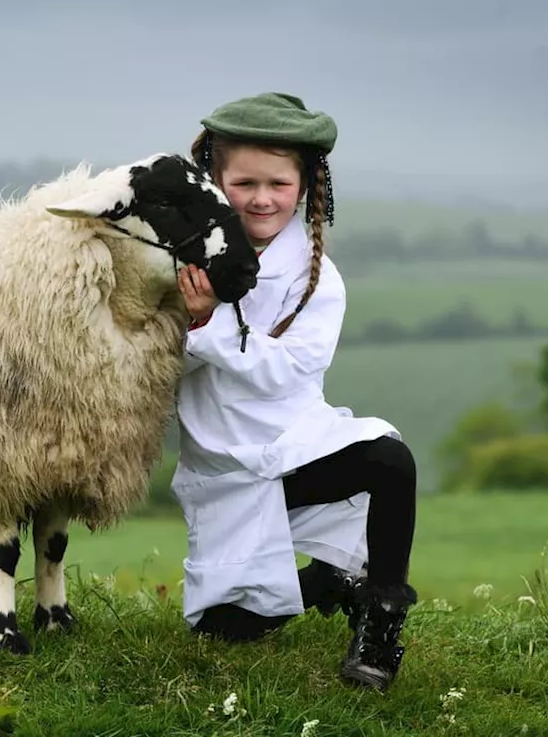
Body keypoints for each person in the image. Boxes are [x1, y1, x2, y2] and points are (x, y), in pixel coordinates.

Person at [169, 91, 419, 692]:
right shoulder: (178, 264)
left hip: (292, 451)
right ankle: (331, 583)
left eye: (278, 183)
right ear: (214, 180)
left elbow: (281, 372)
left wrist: (208, 325)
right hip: (224, 468)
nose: (261, 198)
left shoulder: (318, 281)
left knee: (388, 460)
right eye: (244, 182)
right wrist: (191, 323)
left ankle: (380, 621)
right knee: (226, 629)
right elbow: (153, 367)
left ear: (305, 185)